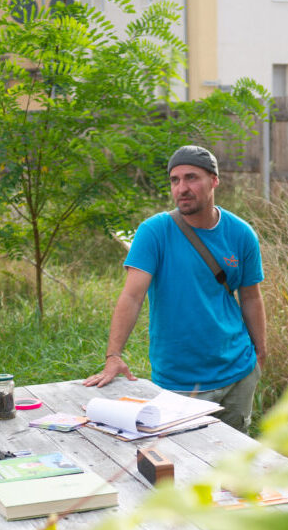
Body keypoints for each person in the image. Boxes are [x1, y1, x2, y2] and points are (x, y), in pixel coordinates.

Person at [84, 145, 266, 433]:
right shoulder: (154, 232)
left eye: (192, 178)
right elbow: (131, 297)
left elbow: (251, 298)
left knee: (232, 458)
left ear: (214, 181)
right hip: (178, 383)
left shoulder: (241, 233)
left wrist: (260, 354)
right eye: (175, 180)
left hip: (238, 374)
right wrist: (113, 355)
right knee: (179, 459)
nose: (182, 188)